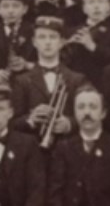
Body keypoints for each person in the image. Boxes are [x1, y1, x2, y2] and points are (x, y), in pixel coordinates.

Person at [10, 16, 87, 148]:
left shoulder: (77, 79)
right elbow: (12, 121)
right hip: (32, 149)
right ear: (34, 42)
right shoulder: (21, 81)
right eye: (42, 37)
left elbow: (88, 113)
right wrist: (30, 120)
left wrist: (69, 124)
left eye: (53, 37)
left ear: (61, 42)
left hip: (68, 148)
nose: (47, 42)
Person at [61, 0, 110, 86]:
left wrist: (93, 46)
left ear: (109, 6)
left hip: (105, 85)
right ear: (84, 8)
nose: (96, 6)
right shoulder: (72, 32)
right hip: (77, 86)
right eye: (91, 2)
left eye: (101, 1)